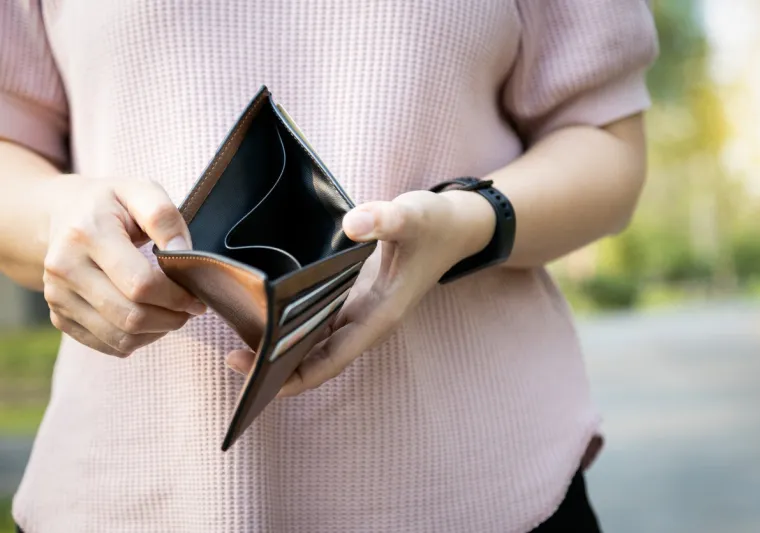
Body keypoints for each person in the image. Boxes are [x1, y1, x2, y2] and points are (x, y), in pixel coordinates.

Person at [0, 1, 658, 531]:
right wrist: (59, 217)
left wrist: (468, 222)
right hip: (130, 491)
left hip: (483, 484)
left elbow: (605, 141)